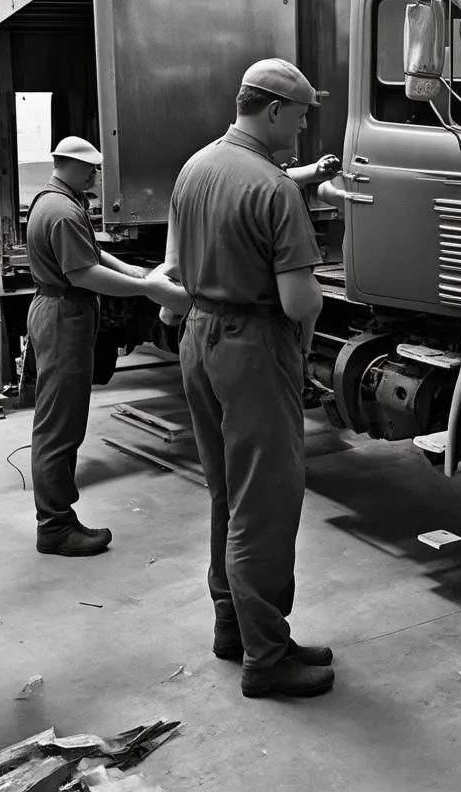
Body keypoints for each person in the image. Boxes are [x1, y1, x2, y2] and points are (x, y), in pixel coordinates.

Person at [158, 58, 333, 699]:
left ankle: (236, 629)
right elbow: (299, 302)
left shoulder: (196, 167)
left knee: (227, 492)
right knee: (264, 503)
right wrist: (306, 340)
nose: (307, 123)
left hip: (199, 335)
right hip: (255, 347)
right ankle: (267, 658)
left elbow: (173, 266)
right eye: (305, 112)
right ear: (276, 111)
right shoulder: (273, 189)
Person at [26, 136, 189, 557]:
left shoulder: (57, 199)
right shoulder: (62, 210)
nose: (97, 176)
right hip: (65, 316)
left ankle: (58, 518)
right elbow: (84, 274)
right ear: (75, 166)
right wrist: (145, 289)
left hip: (64, 312)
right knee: (59, 428)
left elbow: (92, 252)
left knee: (62, 423)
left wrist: (133, 269)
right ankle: (56, 526)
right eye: (93, 169)